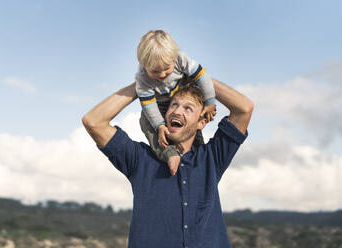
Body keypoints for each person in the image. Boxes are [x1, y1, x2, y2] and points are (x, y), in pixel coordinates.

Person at [82, 79, 253, 248]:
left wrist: (197, 76)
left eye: (188, 108)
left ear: (201, 122)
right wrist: (141, 85)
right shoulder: (140, 159)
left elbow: (244, 109)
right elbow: (94, 122)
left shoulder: (211, 158)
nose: (177, 111)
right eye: (174, 105)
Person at [135, 30, 216, 175]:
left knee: (190, 127)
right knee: (145, 121)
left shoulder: (181, 59)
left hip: (180, 95)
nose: (161, 75)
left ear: (174, 58)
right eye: (154, 71)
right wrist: (159, 125)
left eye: (166, 69)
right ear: (144, 65)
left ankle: (199, 158)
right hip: (158, 104)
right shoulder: (142, 78)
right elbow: (149, 106)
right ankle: (168, 153)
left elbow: (202, 77)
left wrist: (210, 102)